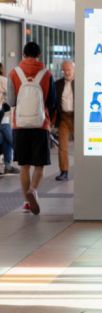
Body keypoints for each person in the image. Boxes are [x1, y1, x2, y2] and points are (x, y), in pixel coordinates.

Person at [7, 42, 57, 215]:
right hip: (41, 125)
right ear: (39, 55)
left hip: (19, 125)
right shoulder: (46, 73)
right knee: (40, 165)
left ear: (23, 54)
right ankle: (33, 190)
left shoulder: (14, 73)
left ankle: (26, 202)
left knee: (24, 166)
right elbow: (51, 102)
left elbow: (12, 102)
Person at [53, 60, 75, 181]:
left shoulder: (80, 82)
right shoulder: (57, 84)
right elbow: (53, 103)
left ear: (74, 69)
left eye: (69, 70)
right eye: (64, 70)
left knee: (84, 146)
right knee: (62, 146)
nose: (66, 72)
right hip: (64, 118)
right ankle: (64, 172)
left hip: (78, 118)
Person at [0, 63, 19, 175]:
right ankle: (24, 153)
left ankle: (8, 166)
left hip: (3, 118)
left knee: (7, 140)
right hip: (3, 118)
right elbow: (12, 95)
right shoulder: (3, 80)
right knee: (11, 140)